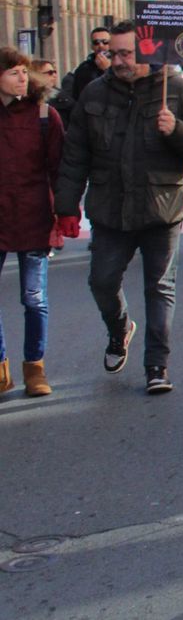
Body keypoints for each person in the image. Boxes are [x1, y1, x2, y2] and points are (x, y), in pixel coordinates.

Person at [55, 21, 183, 396]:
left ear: (146, 52)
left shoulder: (177, 90)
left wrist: (175, 128)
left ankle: (156, 366)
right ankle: (120, 330)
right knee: (102, 281)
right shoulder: (95, 94)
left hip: (161, 207)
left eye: (125, 53)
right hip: (109, 209)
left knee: (159, 287)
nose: (118, 61)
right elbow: (75, 153)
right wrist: (65, 207)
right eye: (112, 53)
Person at [0, 48, 65, 397]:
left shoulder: (45, 115)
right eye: (12, 72)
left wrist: (64, 210)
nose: (22, 77)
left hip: (34, 215)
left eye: (24, 71)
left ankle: (34, 369)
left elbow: (59, 168)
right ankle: (1, 371)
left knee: (33, 297)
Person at [65, 26, 112, 107]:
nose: (100, 45)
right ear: (92, 46)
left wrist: (107, 69)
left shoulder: (121, 64)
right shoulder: (84, 68)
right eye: (96, 42)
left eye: (105, 42)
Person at [29, 57, 71, 124]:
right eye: (50, 73)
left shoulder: (63, 97)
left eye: (55, 72)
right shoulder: (25, 99)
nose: (54, 75)